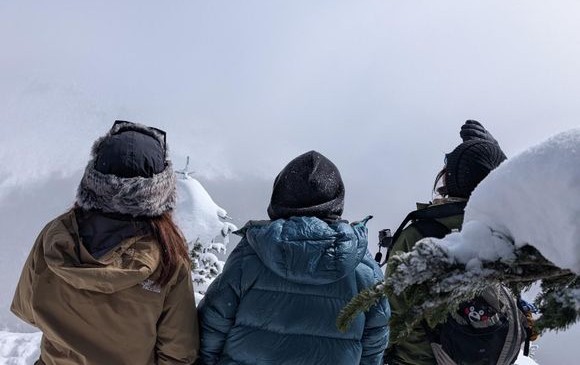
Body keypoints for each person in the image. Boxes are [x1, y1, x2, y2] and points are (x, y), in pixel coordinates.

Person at [11, 120, 199, 365]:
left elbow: (27, 310)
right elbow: (178, 352)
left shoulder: (56, 236)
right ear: (160, 192)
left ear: (92, 181)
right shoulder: (168, 256)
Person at [198, 150, 390, 365]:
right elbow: (374, 341)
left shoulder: (250, 255)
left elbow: (212, 324)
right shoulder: (363, 269)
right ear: (336, 202)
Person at [385, 120, 526, 365]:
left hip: (420, 360)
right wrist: (493, 159)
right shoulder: (506, 233)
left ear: (451, 180)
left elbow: (393, 311)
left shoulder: (418, 235)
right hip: (487, 355)